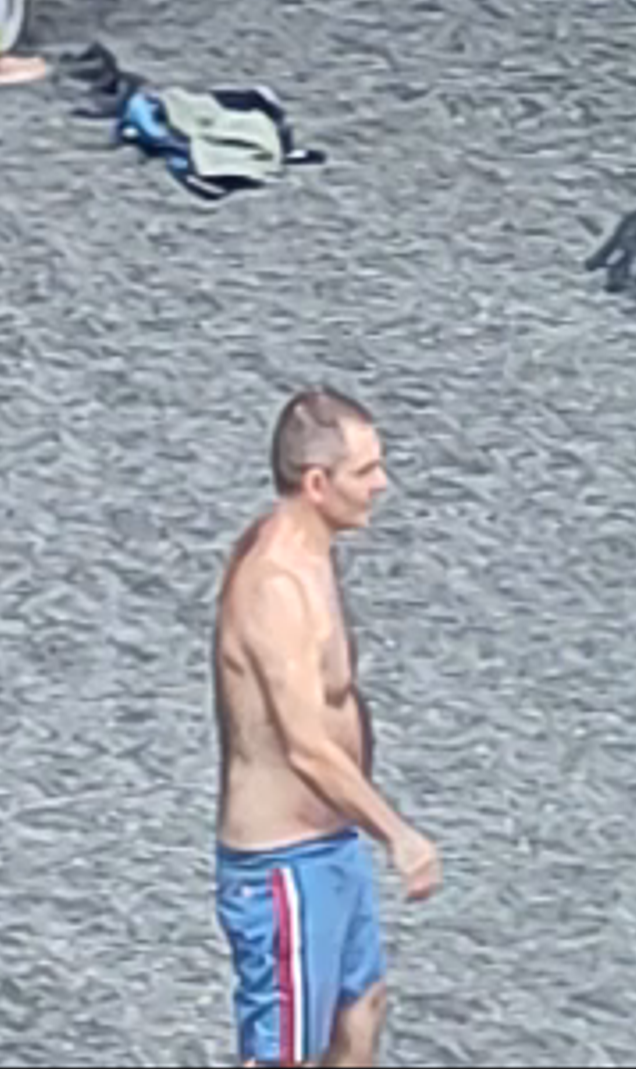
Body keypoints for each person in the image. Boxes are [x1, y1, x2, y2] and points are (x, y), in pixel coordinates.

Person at [212, 386, 438, 1065]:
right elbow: (305, 744)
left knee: (361, 1007)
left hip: (330, 842)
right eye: (365, 471)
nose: (382, 484)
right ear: (317, 482)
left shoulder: (314, 550)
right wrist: (397, 833)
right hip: (282, 863)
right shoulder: (275, 585)